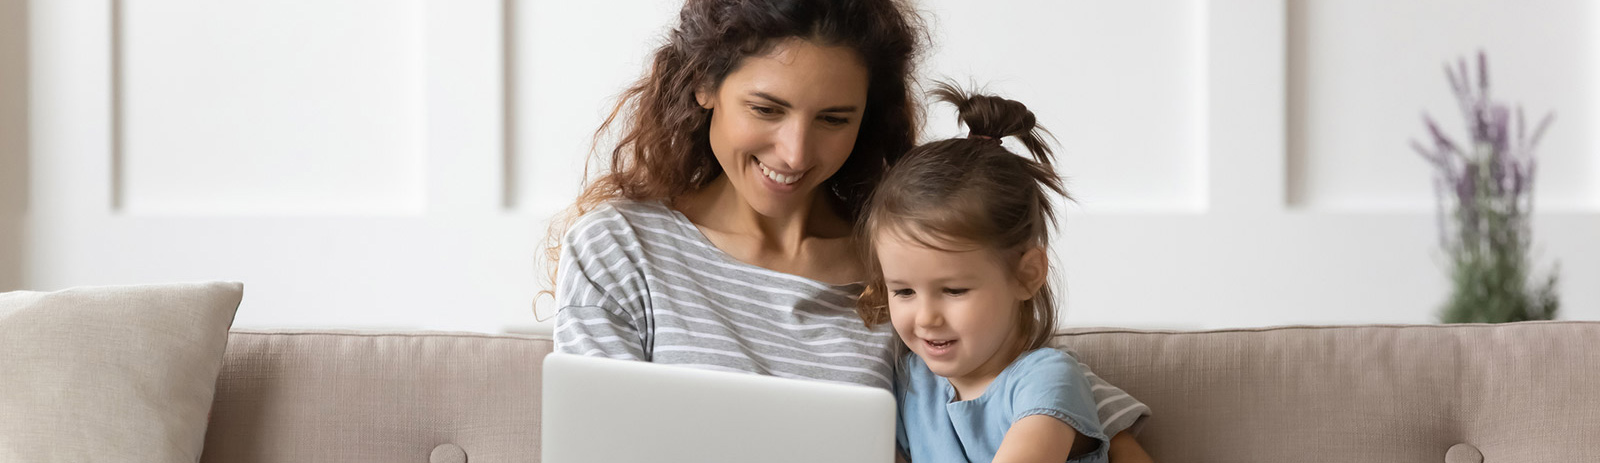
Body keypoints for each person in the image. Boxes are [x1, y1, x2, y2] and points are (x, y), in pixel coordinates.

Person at [544, 0, 1153, 459]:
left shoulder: (904, 266)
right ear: (704, 85)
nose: (794, 152)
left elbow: (1050, 393)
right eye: (766, 108)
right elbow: (595, 443)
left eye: (834, 118)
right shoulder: (621, 247)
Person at [858, 83, 1118, 462]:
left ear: (1026, 275)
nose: (926, 317)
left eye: (954, 290)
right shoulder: (910, 382)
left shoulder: (1045, 380)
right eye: (903, 292)